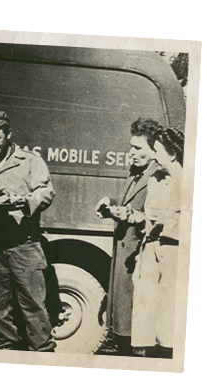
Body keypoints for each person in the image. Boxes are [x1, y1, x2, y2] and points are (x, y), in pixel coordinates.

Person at [0, 111, 56, 351]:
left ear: (8, 134)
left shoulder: (30, 162)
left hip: (23, 245)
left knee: (34, 310)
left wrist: (21, 200)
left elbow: (46, 193)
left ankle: (44, 358)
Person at [95, 118, 160, 355]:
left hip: (139, 258)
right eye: (131, 146)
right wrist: (110, 203)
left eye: (138, 148)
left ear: (154, 151)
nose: (131, 152)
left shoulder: (158, 175)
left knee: (137, 329)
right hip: (125, 255)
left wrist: (133, 215)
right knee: (124, 325)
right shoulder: (136, 172)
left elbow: (157, 213)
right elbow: (128, 201)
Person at [130, 127, 184, 358]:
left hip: (173, 251)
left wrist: (167, 222)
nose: (154, 155)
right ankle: (146, 351)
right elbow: (148, 215)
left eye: (158, 151)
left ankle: (167, 352)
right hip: (150, 249)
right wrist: (137, 217)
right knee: (147, 302)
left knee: (168, 304)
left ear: (172, 154)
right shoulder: (154, 179)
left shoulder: (187, 181)